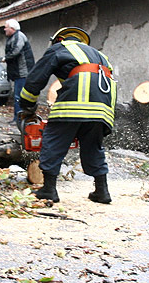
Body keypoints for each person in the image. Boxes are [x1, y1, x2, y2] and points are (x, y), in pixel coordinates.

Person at [19, 26, 117, 205]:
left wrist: (27, 106)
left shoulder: (60, 48)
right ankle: (102, 190)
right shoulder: (100, 55)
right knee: (93, 145)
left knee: (54, 139)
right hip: (104, 107)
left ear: (58, 39)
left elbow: (35, 79)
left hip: (76, 102)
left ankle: (49, 189)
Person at [1, 19, 35, 124]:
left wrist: (5, 58)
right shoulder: (14, 37)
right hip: (19, 72)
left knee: (19, 96)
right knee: (18, 96)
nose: (4, 29)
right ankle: (19, 118)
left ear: (12, 28)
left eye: (6, 27)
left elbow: (16, 51)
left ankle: (19, 119)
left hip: (23, 72)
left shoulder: (19, 37)